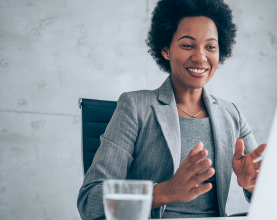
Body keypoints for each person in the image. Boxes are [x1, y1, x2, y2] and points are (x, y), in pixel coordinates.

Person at [77, 0, 267, 219]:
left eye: (210, 47)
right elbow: (89, 202)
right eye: (188, 45)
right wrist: (166, 191)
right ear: (166, 49)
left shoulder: (231, 114)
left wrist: (253, 186)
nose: (200, 57)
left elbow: (271, 196)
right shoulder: (135, 106)